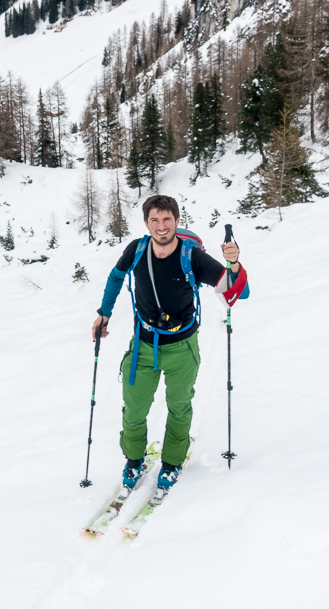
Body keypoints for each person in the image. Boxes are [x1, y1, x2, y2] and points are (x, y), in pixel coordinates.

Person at [92, 194, 245, 492]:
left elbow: (236, 292)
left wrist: (234, 264)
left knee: (179, 406)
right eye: (155, 220)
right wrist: (104, 314)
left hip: (182, 346)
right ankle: (133, 460)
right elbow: (115, 277)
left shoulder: (193, 257)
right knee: (134, 410)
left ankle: (172, 463)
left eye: (167, 220)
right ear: (146, 223)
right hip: (143, 346)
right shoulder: (136, 250)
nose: (161, 226)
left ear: (176, 221)